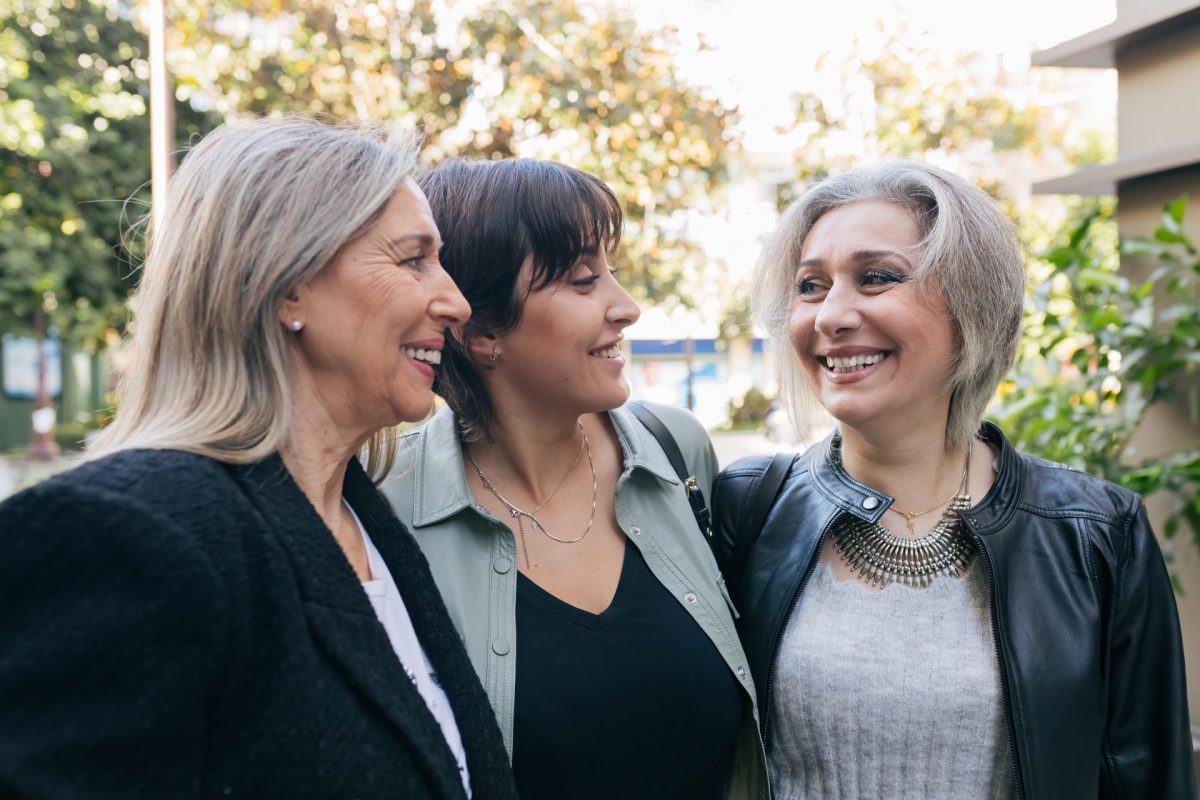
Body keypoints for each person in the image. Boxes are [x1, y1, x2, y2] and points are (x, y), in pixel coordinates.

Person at [0, 118, 518, 799]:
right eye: (413, 259)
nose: (453, 301)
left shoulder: (372, 529)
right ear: (286, 285)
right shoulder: (120, 533)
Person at [712, 160, 1197, 799]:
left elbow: (1149, 779)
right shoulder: (749, 508)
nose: (830, 315)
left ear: (973, 304)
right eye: (811, 285)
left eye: (877, 277)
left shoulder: (1096, 533)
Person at [380, 158, 769, 800]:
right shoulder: (386, 510)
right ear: (480, 333)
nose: (628, 307)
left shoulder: (677, 454)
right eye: (585, 280)